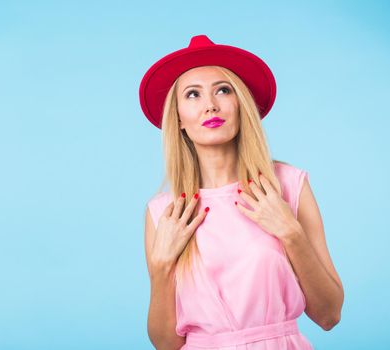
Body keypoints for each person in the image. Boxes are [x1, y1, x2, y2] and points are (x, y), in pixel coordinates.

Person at [139, 34, 344, 350]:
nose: (210, 105)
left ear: (241, 104)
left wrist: (291, 233)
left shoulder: (287, 185)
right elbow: (166, 344)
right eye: (193, 94)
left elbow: (329, 315)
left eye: (223, 90)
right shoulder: (165, 213)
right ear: (178, 117)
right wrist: (161, 266)